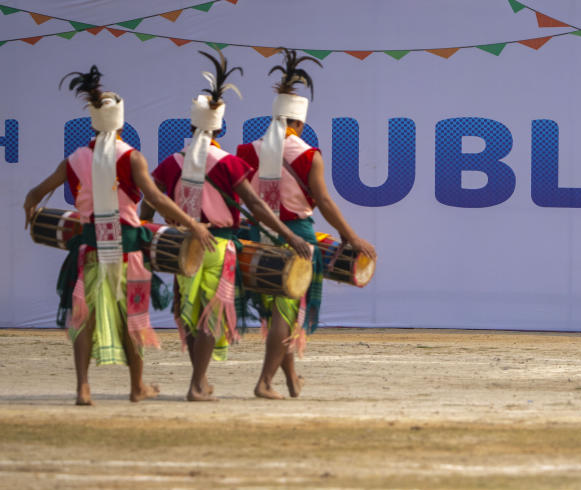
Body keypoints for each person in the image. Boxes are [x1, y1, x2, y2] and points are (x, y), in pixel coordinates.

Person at [23, 66, 214, 405]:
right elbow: (156, 199)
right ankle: (136, 386)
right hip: (127, 253)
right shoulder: (132, 157)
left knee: (84, 317)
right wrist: (194, 224)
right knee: (133, 319)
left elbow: (35, 194)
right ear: (122, 124)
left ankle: (83, 387)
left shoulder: (75, 159)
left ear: (94, 124)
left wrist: (30, 212)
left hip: (89, 250)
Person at [143, 51, 312, 401]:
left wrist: (170, 224)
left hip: (182, 247)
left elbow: (150, 203)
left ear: (191, 126)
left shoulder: (171, 163)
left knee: (189, 314)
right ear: (219, 128)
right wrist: (289, 234)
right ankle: (196, 385)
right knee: (209, 317)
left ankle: (200, 381)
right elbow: (256, 206)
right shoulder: (228, 163)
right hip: (217, 247)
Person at [237, 49, 376, 399]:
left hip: (258, 234)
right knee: (287, 310)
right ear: (299, 123)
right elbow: (324, 202)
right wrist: (351, 237)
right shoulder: (309, 154)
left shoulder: (245, 151)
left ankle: (291, 378)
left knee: (278, 310)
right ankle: (265, 381)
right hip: (297, 235)